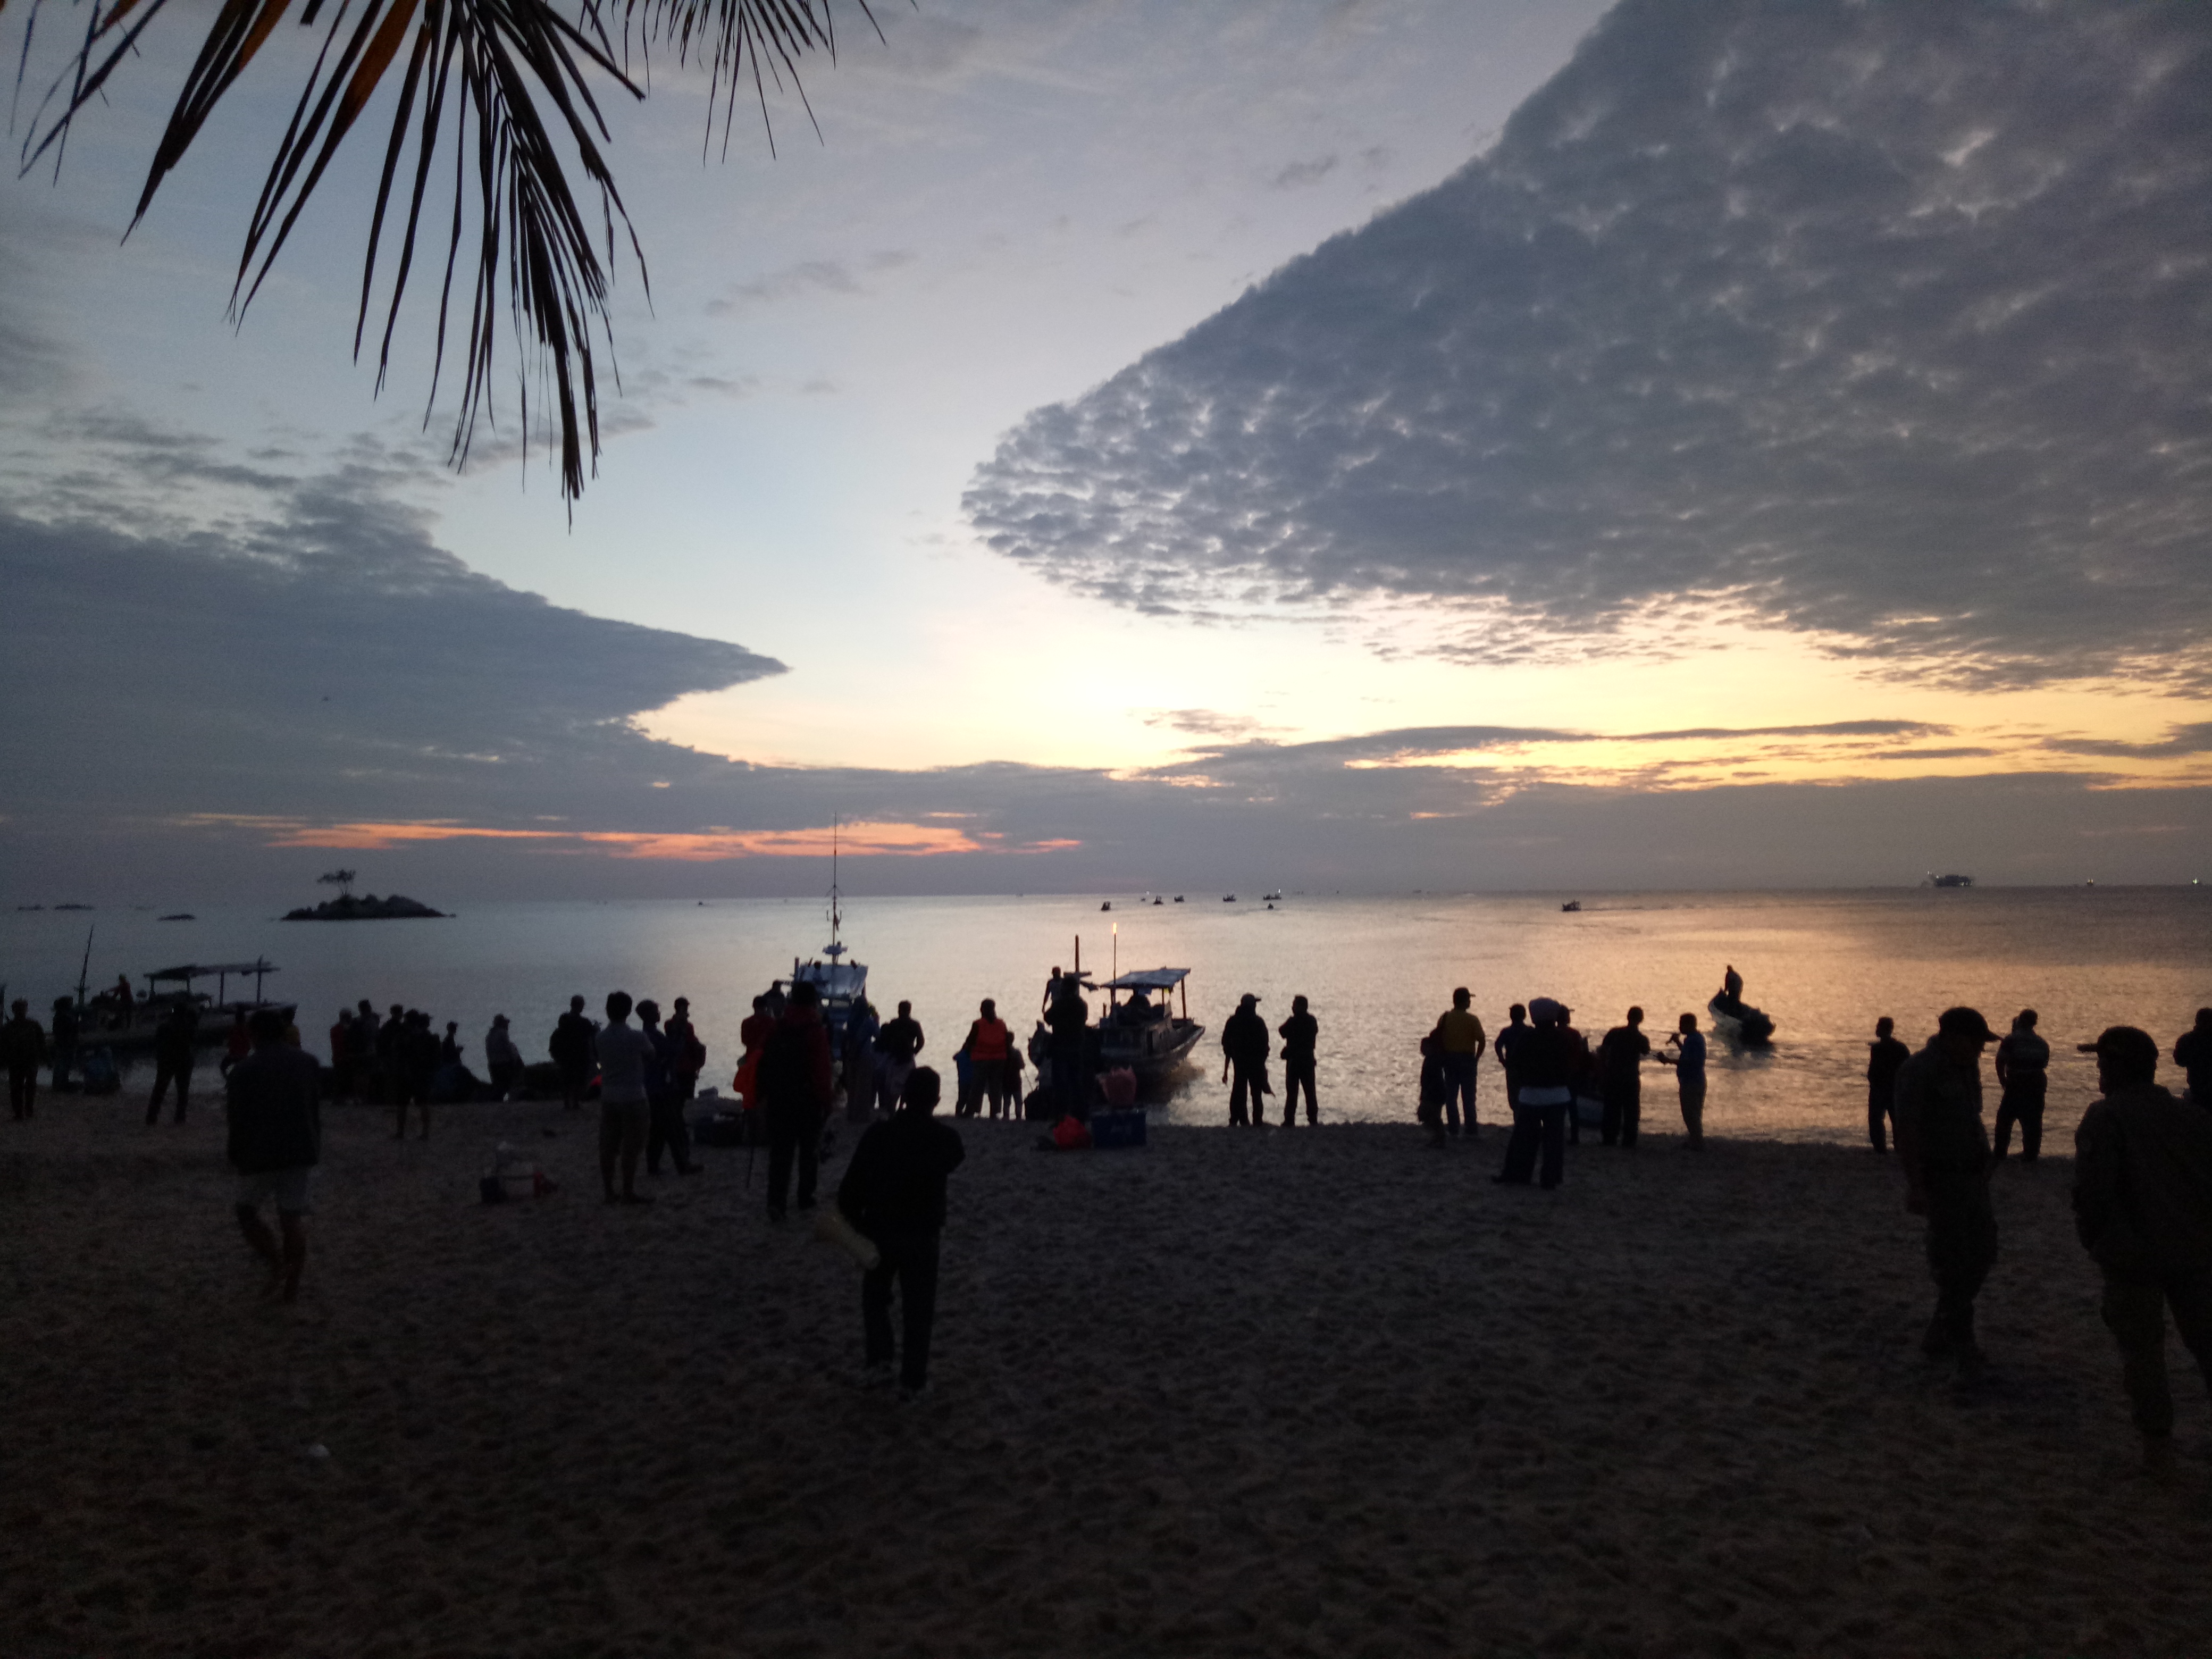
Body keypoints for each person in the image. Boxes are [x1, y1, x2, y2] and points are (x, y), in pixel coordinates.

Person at [2070, 1026, 2212, 1474]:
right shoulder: (2194, 1116)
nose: (2098, 1073)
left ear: (2114, 1068)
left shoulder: (2106, 1117)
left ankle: (2158, 1450)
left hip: (2133, 1258)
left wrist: (2094, 1238)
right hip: (2194, 1250)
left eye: (2101, 1064)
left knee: (2143, 1354)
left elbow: (2094, 1192)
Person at [838, 1065, 966, 1400]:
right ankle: (913, 1378)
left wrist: (857, 1224)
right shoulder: (944, 1140)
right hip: (922, 1234)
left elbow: (850, 1189)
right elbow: (956, 1157)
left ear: (904, 1096)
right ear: (936, 1100)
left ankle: (880, 1360)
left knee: (875, 1299)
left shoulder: (878, 1136)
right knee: (918, 1308)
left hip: (879, 1229)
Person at [1892, 1007, 2002, 1380]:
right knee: (1953, 1262)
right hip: (1942, 1179)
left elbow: (1971, 1119)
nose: (1981, 1051)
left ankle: (1942, 1324)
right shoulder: (1918, 1071)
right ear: (1952, 1037)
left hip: (1973, 1177)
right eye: (1976, 1042)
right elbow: (1907, 1132)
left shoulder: (1966, 1068)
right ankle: (1961, 1343)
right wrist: (1916, 1186)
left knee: (1984, 1252)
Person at [227, 1007, 322, 1303]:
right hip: (301, 1148)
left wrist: (236, 1153)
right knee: (292, 1218)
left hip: (262, 1152)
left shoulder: (244, 1071)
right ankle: (291, 1287)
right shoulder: (308, 1063)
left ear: (254, 1035)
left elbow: (237, 1119)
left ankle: (276, 1261)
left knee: (246, 1211)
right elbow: (314, 1109)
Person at [759, 979, 833, 1220]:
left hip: (779, 1098)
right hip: (807, 1100)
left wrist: (761, 1094)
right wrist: (826, 1101)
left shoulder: (778, 1026)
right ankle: (805, 1197)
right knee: (808, 1152)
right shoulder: (815, 1030)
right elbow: (822, 1070)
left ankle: (776, 1201)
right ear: (813, 1002)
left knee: (780, 1153)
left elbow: (764, 1060)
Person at [1496, 998, 1574, 1188]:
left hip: (1531, 1096)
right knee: (1553, 1140)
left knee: (1524, 1138)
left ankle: (1520, 1174)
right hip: (1558, 1095)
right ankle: (1550, 1178)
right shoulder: (1563, 1038)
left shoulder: (1528, 1037)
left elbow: (1515, 1063)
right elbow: (1570, 1065)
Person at [594, 991, 656, 1204]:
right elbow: (651, 1055)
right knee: (632, 1147)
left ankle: (608, 1191)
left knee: (608, 1146)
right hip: (633, 1096)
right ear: (629, 1012)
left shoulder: (600, 1038)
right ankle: (628, 1191)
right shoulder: (637, 1037)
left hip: (609, 1096)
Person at [638, 999, 699, 1178]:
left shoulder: (650, 1034)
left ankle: (654, 1165)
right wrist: (680, 1030)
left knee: (658, 1128)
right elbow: (674, 1050)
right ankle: (683, 1164)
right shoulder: (652, 1035)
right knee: (674, 1127)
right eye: (656, 1011)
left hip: (654, 1086)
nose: (659, 1013)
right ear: (649, 1015)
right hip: (662, 1087)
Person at [1992, 1009, 2051, 1163]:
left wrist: (2003, 1080)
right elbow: (2044, 1063)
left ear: (2019, 1021)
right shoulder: (2042, 1043)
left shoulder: (2011, 1040)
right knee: (2033, 1121)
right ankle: (2031, 1155)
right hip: (2036, 1082)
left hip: (2017, 1082)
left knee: (2005, 1120)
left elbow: (2000, 1061)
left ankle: (2000, 1154)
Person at [1434, 988, 1488, 1137]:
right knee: (1469, 1097)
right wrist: (1477, 1058)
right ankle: (1471, 1130)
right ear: (1464, 1001)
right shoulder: (1472, 1020)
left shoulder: (1445, 1018)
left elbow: (1439, 1038)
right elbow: (1482, 1040)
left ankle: (1453, 1128)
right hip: (1467, 1059)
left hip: (1450, 1059)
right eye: (1468, 999)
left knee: (1451, 1096)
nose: (1470, 1002)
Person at [1597, 1007, 1652, 1147]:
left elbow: (1602, 1051)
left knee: (1612, 1109)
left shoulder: (1615, 1033)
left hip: (1614, 1075)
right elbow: (1647, 1051)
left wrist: (1603, 1069)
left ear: (1628, 1017)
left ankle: (1609, 1138)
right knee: (1631, 1111)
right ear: (1641, 1020)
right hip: (1630, 1077)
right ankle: (1629, 1140)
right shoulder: (1641, 1038)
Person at [1655, 1012, 1707, 1149]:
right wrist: (1678, 1042)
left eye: (1681, 1024)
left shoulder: (1693, 1040)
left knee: (1690, 1113)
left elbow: (1689, 1061)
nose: (1679, 1027)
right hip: (1695, 1080)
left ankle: (1697, 1141)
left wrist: (1668, 1060)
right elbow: (1687, 1054)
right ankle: (1695, 1139)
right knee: (1694, 1112)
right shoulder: (1695, 1038)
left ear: (1689, 1025)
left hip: (1692, 1081)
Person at [1220, 993, 1271, 1127]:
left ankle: (1238, 1119)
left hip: (1239, 1062)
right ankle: (1257, 1120)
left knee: (1238, 1091)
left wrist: (1228, 1065)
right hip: (1255, 1063)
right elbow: (1265, 1044)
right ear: (1252, 1006)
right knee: (1256, 1093)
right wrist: (1262, 1061)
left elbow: (1225, 1043)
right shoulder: (1258, 1022)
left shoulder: (1233, 1021)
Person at [1045, 976, 1090, 1120]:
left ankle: (1061, 1115)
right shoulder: (1082, 1005)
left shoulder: (1060, 1003)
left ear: (1066, 988)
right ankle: (1079, 1114)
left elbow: (1048, 1017)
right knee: (1076, 1082)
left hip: (1061, 1047)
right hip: (1077, 1046)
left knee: (1060, 1083)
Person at [146, 1002, 198, 1125]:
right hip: (183, 1060)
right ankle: (180, 1117)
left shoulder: (164, 1027)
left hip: (166, 1060)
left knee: (160, 1089)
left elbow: (157, 1043)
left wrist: (160, 1057)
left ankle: (152, 1116)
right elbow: (193, 1040)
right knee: (182, 1091)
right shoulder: (187, 1027)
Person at [961, 999, 1013, 1119]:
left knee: (977, 1086)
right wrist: (1008, 1058)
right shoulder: (1001, 1024)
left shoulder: (978, 1024)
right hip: (999, 1059)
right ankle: (994, 1112)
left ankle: (971, 1110)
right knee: (996, 1087)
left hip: (981, 1059)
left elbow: (970, 1041)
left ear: (983, 1009)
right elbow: (1007, 1042)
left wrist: (966, 1051)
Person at [1865, 1017, 1909, 1153]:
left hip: (1885, 1088)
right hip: (1889, 1088)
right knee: (1892, 1120)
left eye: (1879, 1027)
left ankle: (1883, 1148)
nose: (1876, 1029)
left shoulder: (1882, 1049)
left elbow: (1905, 1069)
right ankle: (1893, 1148)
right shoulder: (1898, 1048)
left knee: (1880, 1119)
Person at [875, 1000, 925, 1115]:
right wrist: (914, 1052)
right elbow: (921, 1042)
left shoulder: (894, 1023)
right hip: (908, 1057)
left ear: (899, 1010)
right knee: (907, 1084)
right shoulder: (914, 1024)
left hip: (894, 1057)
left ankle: (892, 1110)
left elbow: (885, 1039)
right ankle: (901, 1107)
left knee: (891, 1086)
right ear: (910, 1010)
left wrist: (889, 1051)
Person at [551, 994, 597, 1113]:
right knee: (579, 1080)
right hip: (580, 1055)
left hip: (566, 1054)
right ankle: (575, 1102)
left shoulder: (564, 1020)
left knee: (568, 1079)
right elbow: (592, 1033)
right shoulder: (584, 1023)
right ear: (581, 1006)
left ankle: (567, 1102)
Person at [1278, 995, 1319, 1125]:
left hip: (1295, 1061)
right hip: (1308, 1059)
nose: (1292, 1007)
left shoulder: (1293, 1021)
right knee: (1310, 1091)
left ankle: (1290, 1119)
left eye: (1295, 1005)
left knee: (1292, 1092)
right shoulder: (1311, 1021)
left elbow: (1282, 1031)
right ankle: (1312, 1119)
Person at [1492, 1003, 1532, 1122]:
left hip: (1512, 1068)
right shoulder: (1530, 1031)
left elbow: (1498, 1045)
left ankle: (1518, 1123)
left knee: (1515, 1098)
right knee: (1528, 1097)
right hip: (1528, 1069)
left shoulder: (1507, 1032)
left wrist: (1502, 1060)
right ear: (1524, 1016)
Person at [4, 1000, 43, 1120]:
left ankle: (26, 1110)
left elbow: (41, 1043)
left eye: (22, 1009)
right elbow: (3, 1045)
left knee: (28, 1086)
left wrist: (47, 1059)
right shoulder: (10, 1027)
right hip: (17, 1061)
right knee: (18, 1087)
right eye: (19, 1009)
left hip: (29, 1060)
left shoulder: (32, 1025)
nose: (21, 1011)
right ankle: (21, 1112)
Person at [666, 996, 706, 1105]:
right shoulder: (683, 1026)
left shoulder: (671, 1024)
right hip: (683, 1067)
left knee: (679, 1096)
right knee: (684, 1097)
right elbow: (690, 1041)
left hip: (681, 1066)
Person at [2173, 1008, 2211, 1105]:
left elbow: (2179, 1060)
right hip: (2198, 1089)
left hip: (2197, 1088)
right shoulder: (2189, 1039)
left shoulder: (2187, 1039)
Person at [484, 1015, 523, 1100]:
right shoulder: (502, 1033)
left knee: (498, 1086)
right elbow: (507, 1048)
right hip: (503, 1063)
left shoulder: (490, 1035)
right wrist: (514, 1059)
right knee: (509, 1082)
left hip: (493, 1064)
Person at [49, 996, 79, 1092]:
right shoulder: (66, 1017)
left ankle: (60, 1083)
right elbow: (72, 1030)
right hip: (66, 1044)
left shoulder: (58, 1017)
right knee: (64, 1064)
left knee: (62, 1064)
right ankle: (61, 1084)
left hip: (62, 1043)